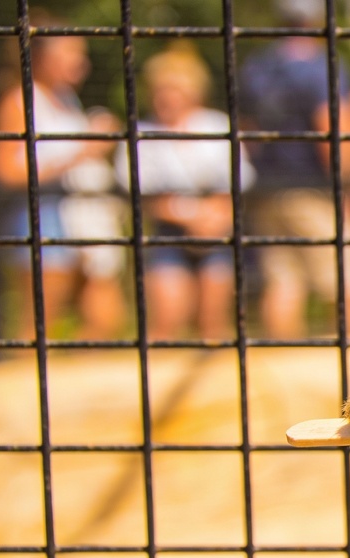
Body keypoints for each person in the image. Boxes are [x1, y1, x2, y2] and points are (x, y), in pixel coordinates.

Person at [239, 0, 350, 338]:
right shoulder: (322, 65)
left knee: (283, 284)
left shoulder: (256, 67)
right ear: (317, 19)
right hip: (314, 191)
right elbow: (330, 130)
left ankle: (282, 382)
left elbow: (247, 131)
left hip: (268, 189)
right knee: (349, 288)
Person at [0, 9, 127, 340]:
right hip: (43, 216)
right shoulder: (20, 100)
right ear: (41, 57)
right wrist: (83, 150)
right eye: (70, 53)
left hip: (80, 213)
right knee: (40, 324)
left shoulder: (67, 99)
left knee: (105, 316)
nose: (81, 62)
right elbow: (6, 171)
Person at [116, 42, 253, 341]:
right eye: (160, 88)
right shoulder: (141, 133)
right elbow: (140, 194)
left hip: (216, 231)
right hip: (167, 233)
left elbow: (237, 185)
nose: (166, 96)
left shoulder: (218, 126)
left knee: (214, 326)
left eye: (174, 89)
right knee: (167, 320)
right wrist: (188, 216)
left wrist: (216, 218)